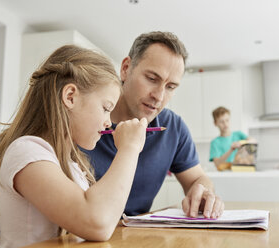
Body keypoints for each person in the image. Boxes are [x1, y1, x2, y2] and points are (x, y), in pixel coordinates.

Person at [0, 45, 148, 247]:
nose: (108, 122)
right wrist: (129, 149)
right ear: (70, 96)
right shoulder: (26, 152)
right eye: (105, 108)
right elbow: (98, 223)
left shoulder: (71, 164)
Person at [84, 31, 224, 219]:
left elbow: (197, 178)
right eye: (151, 79)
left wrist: (203, 192)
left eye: (170, 87)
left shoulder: (172, 126)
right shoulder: (84, 119)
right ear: (126, 68)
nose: (159, 96)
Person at [209, 106, 253, 171]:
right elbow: (217, 164)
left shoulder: (239, 135)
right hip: (225, 175)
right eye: (221, 121)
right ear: (215, 123)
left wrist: (241, 143)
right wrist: (231, 150)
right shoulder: (215, 142)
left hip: (241, 171)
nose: (225, 124)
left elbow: (253, 141)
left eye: (227, 120)